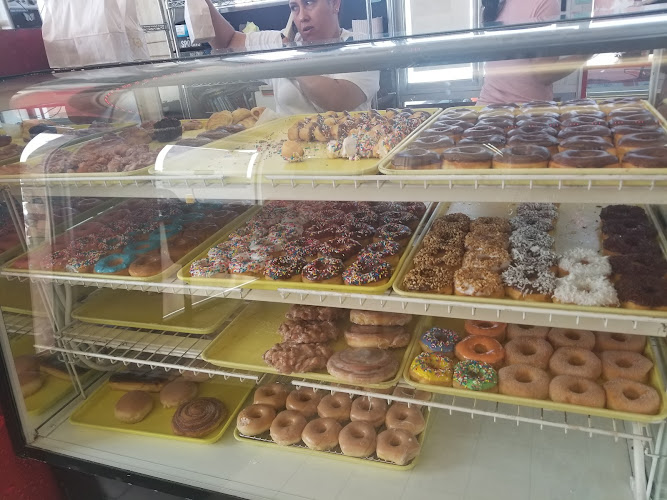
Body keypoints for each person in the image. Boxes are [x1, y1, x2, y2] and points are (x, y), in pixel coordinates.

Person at [204, 0, 380, 115]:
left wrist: (289, 59)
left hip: (347, 160)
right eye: (294, 7)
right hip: (288, 161)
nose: (302, 16)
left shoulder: (360, 45)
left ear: (335, 4)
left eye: (309, 3)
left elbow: (337, 100)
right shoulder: (279, 41)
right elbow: (227, 44)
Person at [478, 0, 586, 105]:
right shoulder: (545, 3)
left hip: (487, 108)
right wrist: (584, 55)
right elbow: (545, 75)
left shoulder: (494, 3)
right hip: (528, 111)